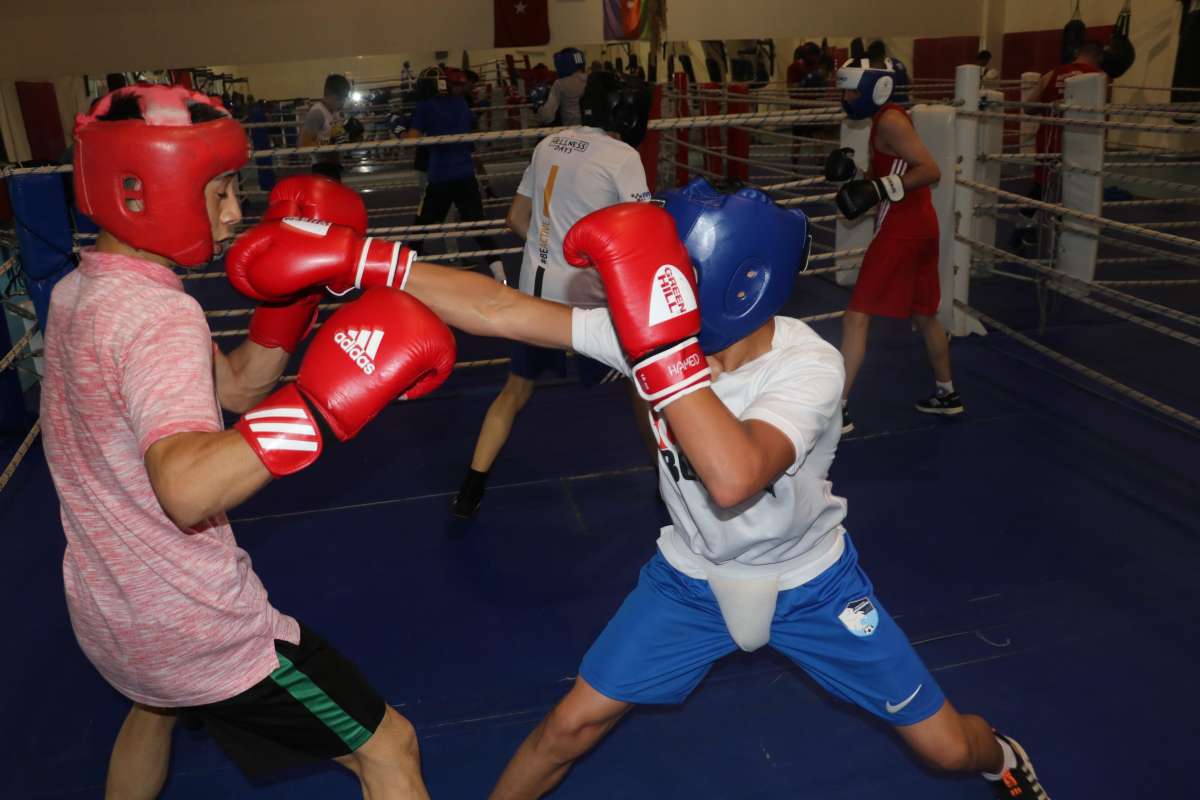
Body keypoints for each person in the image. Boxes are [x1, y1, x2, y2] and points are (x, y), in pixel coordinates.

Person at [221, 179, 1050, 800]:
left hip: (812, 584)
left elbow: (733, 475)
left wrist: (656, 349)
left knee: (946, 750)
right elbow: (500, 309)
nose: (654, 296)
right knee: (567, 727)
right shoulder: (651, 331)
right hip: (686, 581)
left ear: (732, 282)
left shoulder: (809, 364)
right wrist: (368, 262)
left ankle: (1009, 760)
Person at [44, 85, 455, 798]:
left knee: (153, 710)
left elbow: (233, 390)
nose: (237, 213)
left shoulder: (80, 291)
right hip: (194, 625)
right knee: (389, 749)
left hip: (111, 612)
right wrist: (323, 406)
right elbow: (187, 488)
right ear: (154, 189)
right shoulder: (160, 318)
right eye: (222, 191)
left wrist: (291, 302)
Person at [451, 70, 654, 518]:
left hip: (532, 298)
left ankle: (470, 489)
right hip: (585, 303)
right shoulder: (621, 157)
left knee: (515, 390)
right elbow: (644, 235)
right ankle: (667, 481)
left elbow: (516, 217)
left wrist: (551, 249)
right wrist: (584, 261)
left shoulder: (549, 143)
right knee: (644, 385)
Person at [826, 57, 961, 433]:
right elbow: (888, 175)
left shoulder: (890, 120)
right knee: (924, 314)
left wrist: (878, 188)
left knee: (856, 317)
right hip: (920, 226)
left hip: (902, 230)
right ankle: (947, 393)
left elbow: (930, 170)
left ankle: (839, 409)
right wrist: (859, 177)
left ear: (876, 88)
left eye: (851, 89)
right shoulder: (883, 120)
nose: (846, 96)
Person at [405, 66, 504, 280]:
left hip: (440, 177)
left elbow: (412, 140)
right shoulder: (461, 105)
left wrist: (400, 129)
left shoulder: (425, 107)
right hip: (465, 176)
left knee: (420, 227)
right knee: (478, 226)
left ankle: (403, 274)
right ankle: (500, 274)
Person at [1013, 42, 1104, 250]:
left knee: (1041, 187)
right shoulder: (1098, 77)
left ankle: (1022, 231)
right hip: (1081, 143)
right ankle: (1067, 244)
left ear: (1076, 53)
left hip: (1048, 141)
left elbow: (1027, 108)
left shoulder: (1052, 73)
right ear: (1098, 57)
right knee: (1074, 192)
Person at [301, 73, 354, 181]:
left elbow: (334, 136)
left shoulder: (334, 112)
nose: (343, 102)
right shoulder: (317, 113)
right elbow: (304, 143)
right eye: (341, 98)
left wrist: (348, 134)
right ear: (331, 95)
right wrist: (329, 144)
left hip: (333, 166)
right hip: (322, 169)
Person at [535, 48, 589, 126]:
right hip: (596, 131)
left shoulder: (560, 84)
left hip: (572, 132)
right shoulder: (593, 79)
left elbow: (547, 117)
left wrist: (539, 105)